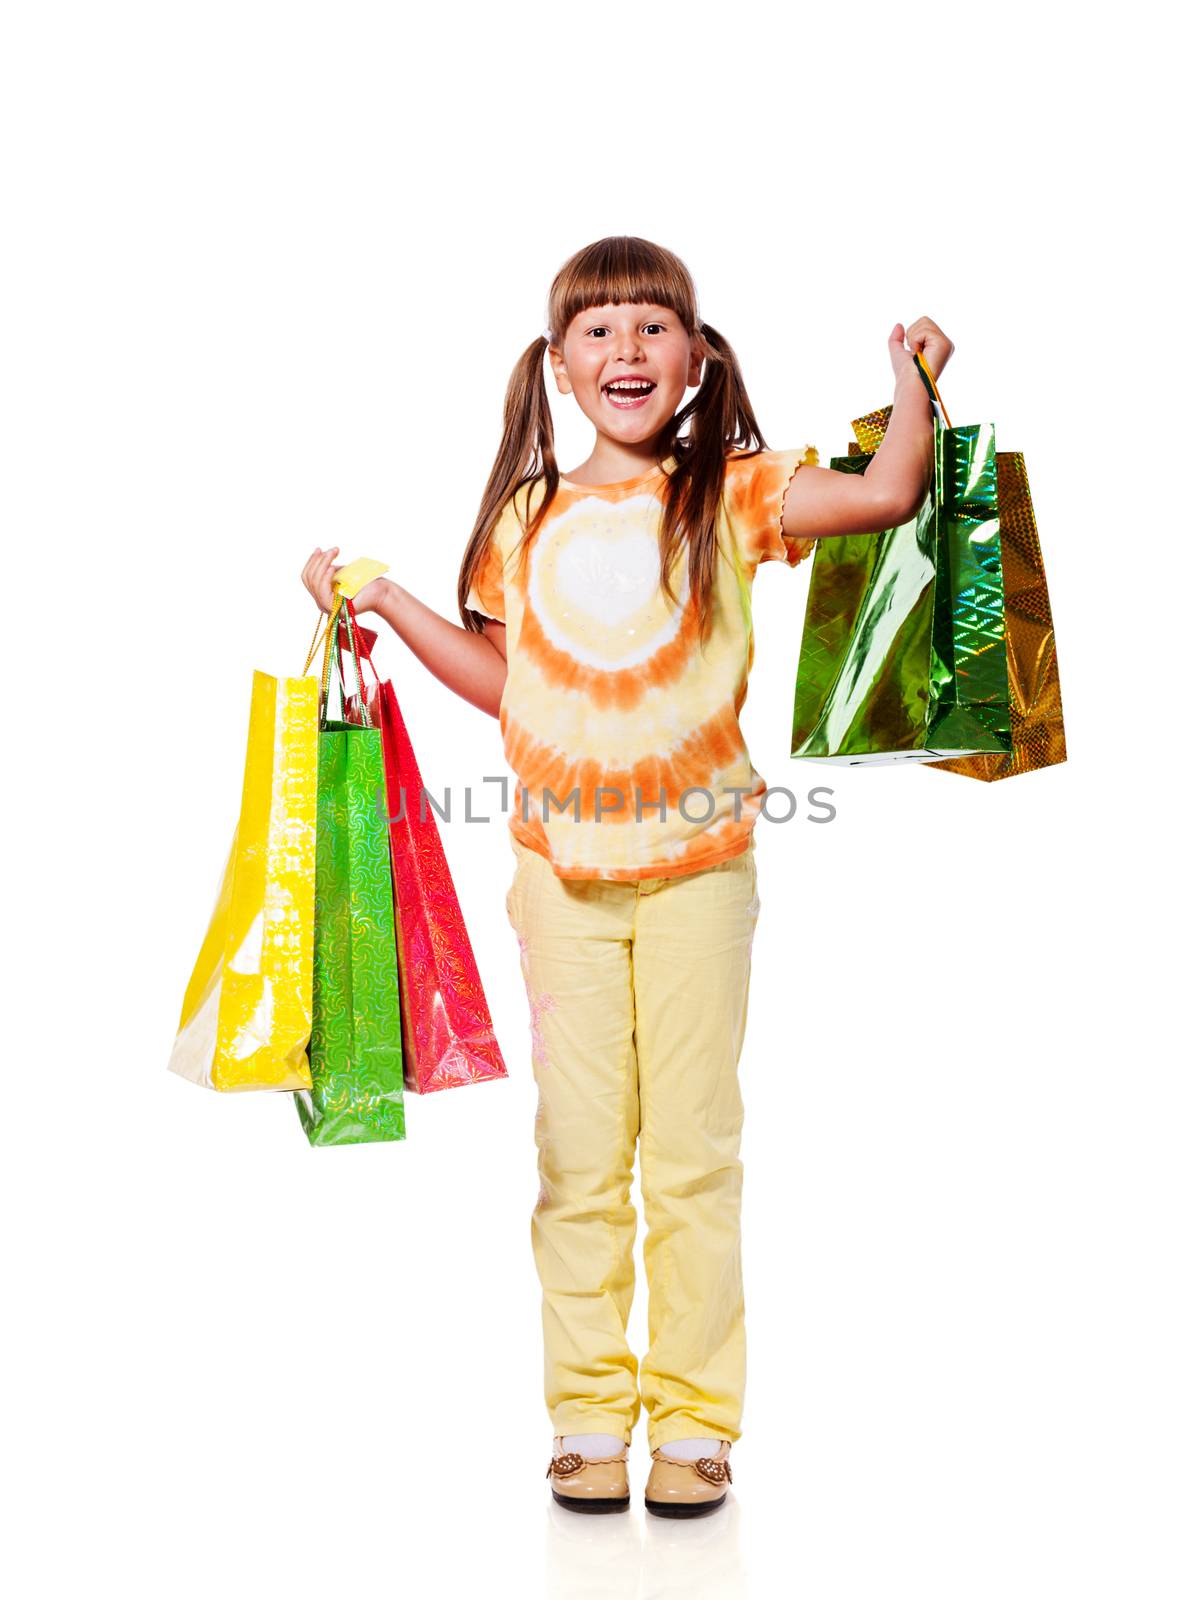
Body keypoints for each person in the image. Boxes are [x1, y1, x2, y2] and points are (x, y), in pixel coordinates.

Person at [301, 235, 952, 1517]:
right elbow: (509, 686)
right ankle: (590, 1417)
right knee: (579, 1155)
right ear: (558, 363)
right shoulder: (521, 520)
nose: (627, 352)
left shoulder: (737, 491)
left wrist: (913, 374)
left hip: (702, 872)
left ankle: (697, 1425)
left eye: (655, 328)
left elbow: (883, 496)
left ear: (697, 359)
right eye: (598, 331)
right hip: (560, 877)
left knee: (696, 1153)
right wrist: (382, 603)